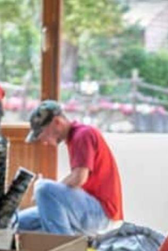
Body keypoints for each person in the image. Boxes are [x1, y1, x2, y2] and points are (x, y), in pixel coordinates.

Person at [18, 101, 124, 236]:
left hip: (103, 215)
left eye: (43, 133)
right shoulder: (74, 138)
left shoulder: (83, 134)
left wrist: (47, 192)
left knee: (43, 188)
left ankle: (65, 249)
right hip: (89, 210)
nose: (43, 140)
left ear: (57, 122)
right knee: (17, 221)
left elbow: (79, 178)